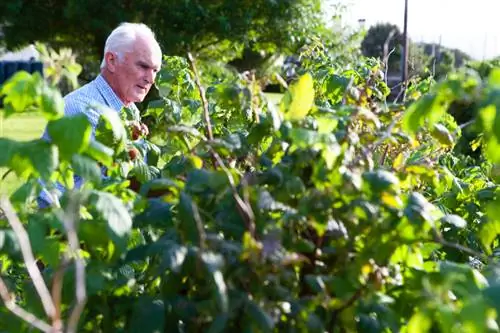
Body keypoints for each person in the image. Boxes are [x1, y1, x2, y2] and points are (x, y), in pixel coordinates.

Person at [37, 22, 162, 208]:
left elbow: (132, 181)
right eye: (143, 66)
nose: (150, 79)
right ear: (112, 61)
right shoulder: (83, 111)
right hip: (63, 225)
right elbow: (112, 185)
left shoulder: (128, 109)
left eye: (155, 70)